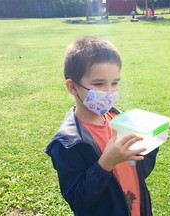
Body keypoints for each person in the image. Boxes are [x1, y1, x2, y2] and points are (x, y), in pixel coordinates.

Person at [45, 36, 161, 216]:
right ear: (73, 87)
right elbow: (79, 201)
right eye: (99, 84)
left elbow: (138, 173)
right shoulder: (68, 144)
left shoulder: (120, 120)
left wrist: (149, 144)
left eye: (115, 83)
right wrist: (105, 164)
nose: (110, 92)